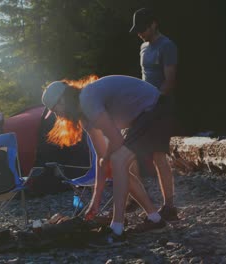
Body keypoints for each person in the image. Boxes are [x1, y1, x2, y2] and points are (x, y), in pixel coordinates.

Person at [41, 75, 173, 247]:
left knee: (117, 160)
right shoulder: (85, 117)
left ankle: (117, 230)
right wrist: (95, 201)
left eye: (56, 110)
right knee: (115, 163)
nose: (58, 116)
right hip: (143, 117)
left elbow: (116, 140)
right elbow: (101, 158)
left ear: (62, 102)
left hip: (156, 109)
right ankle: (155, 219)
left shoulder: (87, 99)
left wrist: (106, 159)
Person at [129, 7, 179, 221]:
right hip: (142, 106)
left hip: (160, 106)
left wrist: (155, 101)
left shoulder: (167, 46)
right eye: (137, 30)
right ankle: (134, 198)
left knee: (159, 156)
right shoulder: (142, 47)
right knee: (127, 151)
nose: (140, 33)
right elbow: (144, 76)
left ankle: (169, 206)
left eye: (143, 29)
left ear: (154, 24)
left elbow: (170, 80)